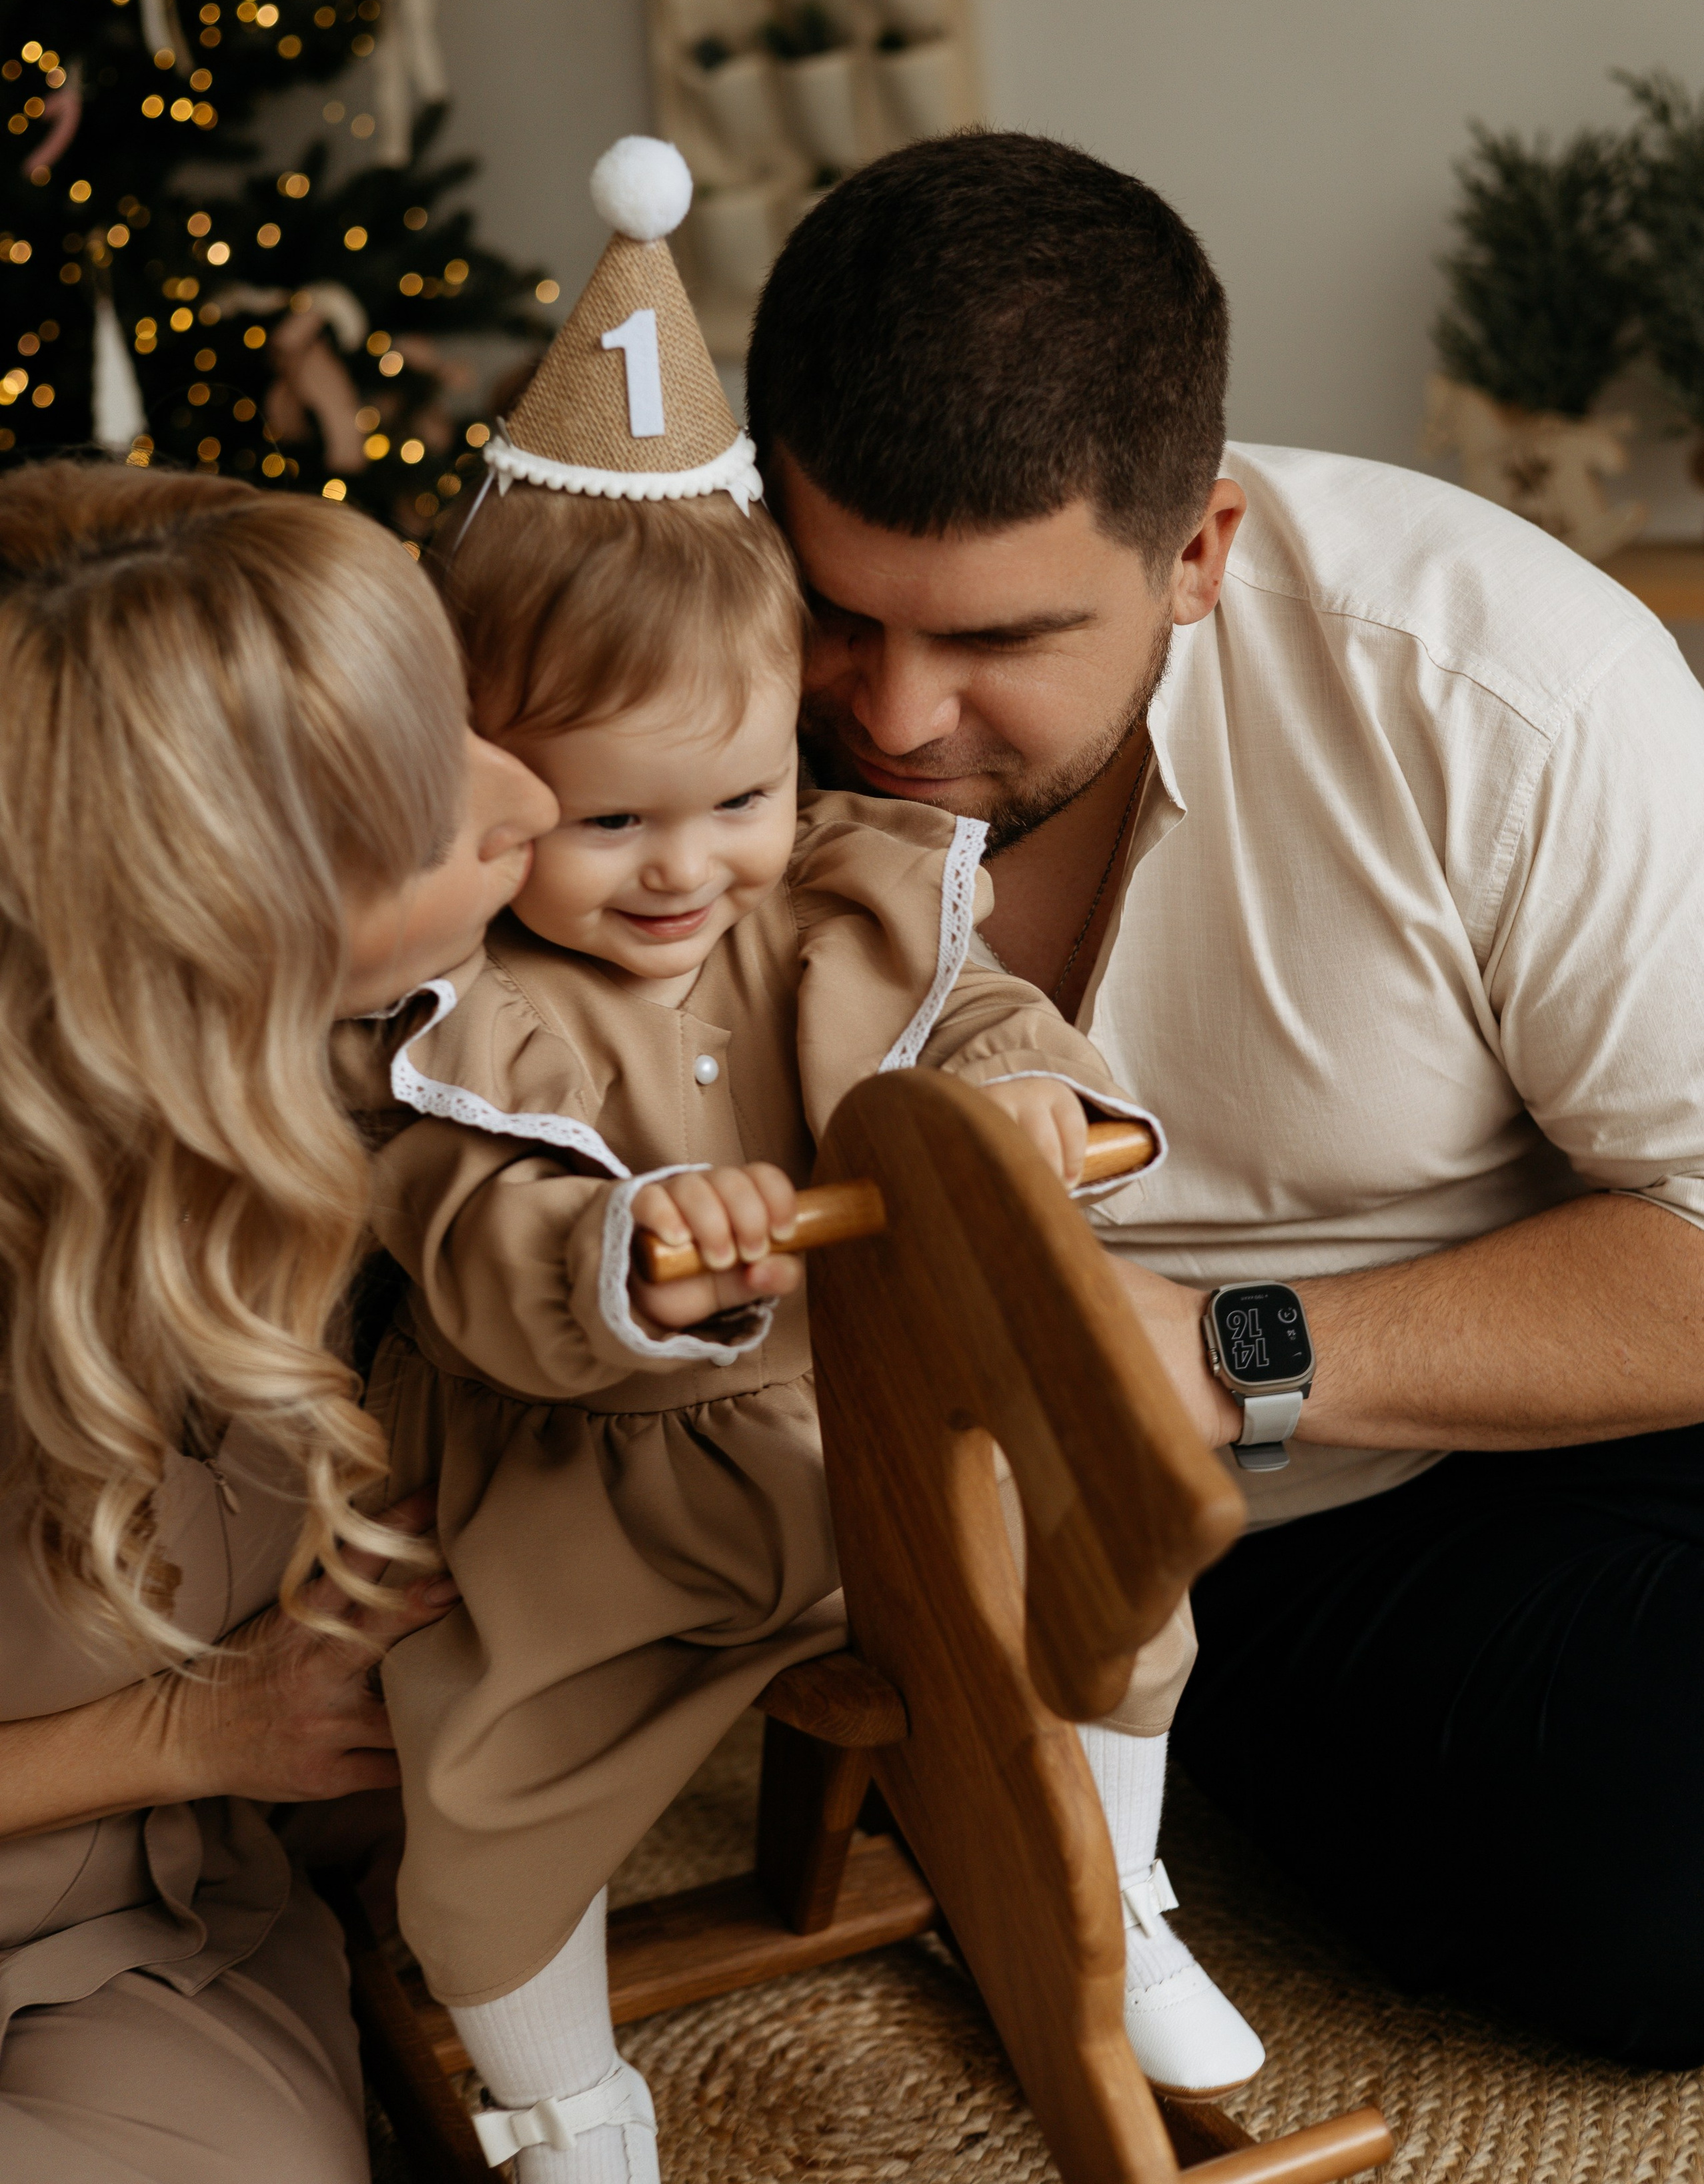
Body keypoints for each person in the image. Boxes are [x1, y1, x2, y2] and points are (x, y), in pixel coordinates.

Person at [746, 129, 1704, 2071]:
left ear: (1201, 552)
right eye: (838, 610)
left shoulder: (1510, 692)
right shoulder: (653, 647)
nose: (898, 714)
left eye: (1002, 641)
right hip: (880, 1494)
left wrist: (1213, 1354)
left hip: (1436, 1436)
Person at [352, 142, 1244, 2184]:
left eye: (740, 796)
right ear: (488, 793)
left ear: (791, 747)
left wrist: (1034, 1102)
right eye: (608, 826)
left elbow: (994, 1029)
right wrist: (634, 1249)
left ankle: (1121, 1902)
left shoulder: (841, 893)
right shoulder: (466, 1016)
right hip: (602, 1484)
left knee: (1116, 1586)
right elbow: (476, 1250)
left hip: (874, 1428)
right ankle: (556, 2080)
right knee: (494, 1770)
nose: (688, 872)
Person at [0, 458, 556, 2183]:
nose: (529, 792)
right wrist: (185, 1731)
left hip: (138, 1941)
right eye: (419, 807)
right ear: (221, 929)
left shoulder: (402, 1080)